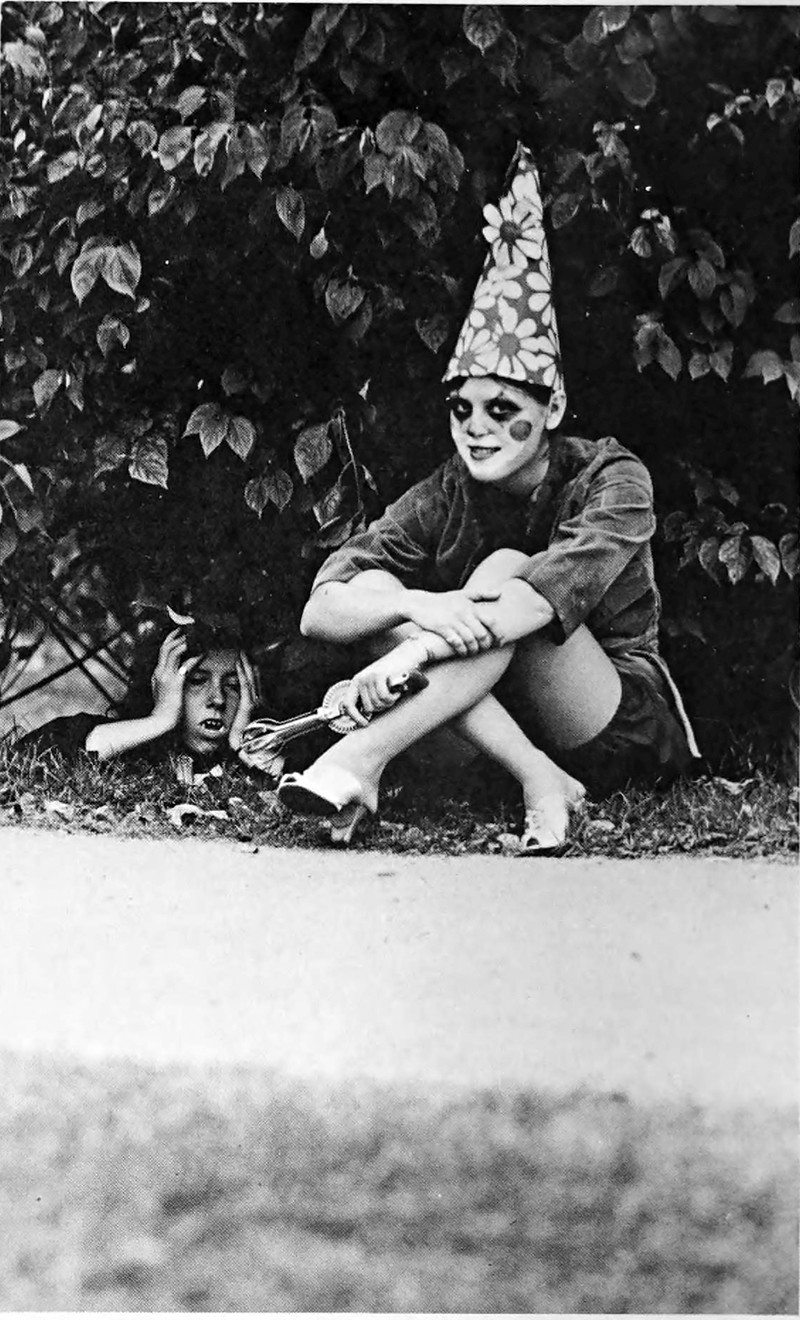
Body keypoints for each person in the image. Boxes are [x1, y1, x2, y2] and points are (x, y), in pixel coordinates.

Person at [277, 144, 700, 850]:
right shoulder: (449, 488)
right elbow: (321, 609)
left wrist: (406, 656)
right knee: (382, 599)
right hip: (503, 723)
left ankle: (359, 759)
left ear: (552, 405)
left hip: (614, 724)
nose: (478, 430)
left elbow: (532, 605)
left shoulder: (614, 478)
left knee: (504, 568)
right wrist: (415, 609)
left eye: (503, 411)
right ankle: (537, 776)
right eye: (463, 409)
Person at [17, 618, 282, 784]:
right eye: (197, 681)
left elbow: (292, 784)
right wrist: (160, 719)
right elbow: (38, 755)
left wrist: (245, 745)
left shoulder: (248, 761)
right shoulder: (133, 748)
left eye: (234, 686)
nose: (218, 699)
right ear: (166, 685)